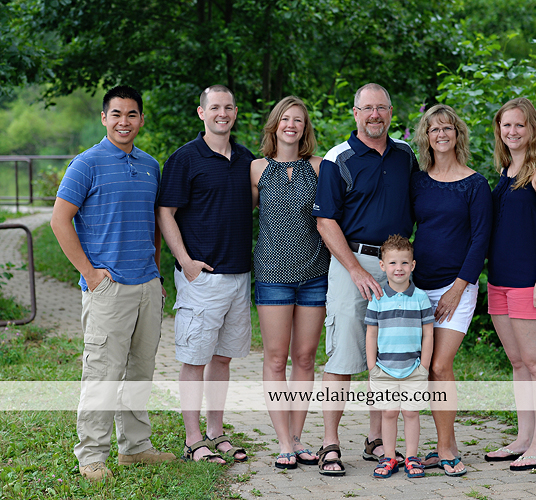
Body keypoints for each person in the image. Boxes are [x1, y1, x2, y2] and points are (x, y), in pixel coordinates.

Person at [51, 85, 176, 481]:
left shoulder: (151, 165)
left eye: (132, 114)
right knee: (103, 373)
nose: (125, 122)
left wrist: (156, 273)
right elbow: (59, 220)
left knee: (141, 370)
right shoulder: (85, 163)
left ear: (141, 119)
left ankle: (135, 448)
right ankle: (91, 454)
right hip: (107, 289)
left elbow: (154, 226)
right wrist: (89, 274)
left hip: (146, 287)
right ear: (104, 118)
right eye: (117, 114)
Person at [312, 83, 418, 476]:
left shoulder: (405, 155)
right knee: (342, 353)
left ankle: (377, 440)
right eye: (367, 108)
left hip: (397, 267)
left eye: (382, 109)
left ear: (391, 113)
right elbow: (325, 220)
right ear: (355, 113)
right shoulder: (338, 158)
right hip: (350, 262)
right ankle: (330, 444)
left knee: (390, 356)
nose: (375, 115)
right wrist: (355, 270)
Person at [156, 85, 253, 464]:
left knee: (223, 360)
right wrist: (185, 261)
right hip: (202, 277)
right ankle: (192, 439)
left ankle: (216, 431)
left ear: (235, 111)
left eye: (228, 107)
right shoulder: (185, 158)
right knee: (195, 360)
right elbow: (165, 213)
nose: (222, 113)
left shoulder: (245, 159)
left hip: (239, 275)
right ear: (202, 112)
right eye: (215, 107)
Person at [484, 97, 536, 471]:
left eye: (519, 125)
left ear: (532, 128)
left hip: (531, 282)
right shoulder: (504, 171)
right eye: (506, 126)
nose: (512, 132)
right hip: (500, 281)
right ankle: (522, 437)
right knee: (517, 362)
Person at [410, 104, 492, 476]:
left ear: (457, 134)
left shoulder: (475, 184)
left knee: (441, 366)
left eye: (448, 128)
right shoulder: (419, 181)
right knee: (424, 368)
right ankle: (447, 442)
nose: (441, 134)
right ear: (426, 137)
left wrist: (458, 288)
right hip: (417, 287)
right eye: (433, 129)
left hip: (456, 286)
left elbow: (480, 241)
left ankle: (446, 447)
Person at [250, 96, 330, 469]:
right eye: (285, 118)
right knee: (276, 358)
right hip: (272, 277)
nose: (291, 125)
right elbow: (238, 216)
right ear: (275, 125)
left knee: (305, 357)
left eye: (298, 120)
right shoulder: (256, 169)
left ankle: (297, 438)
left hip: (314, 275)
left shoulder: (318, 167)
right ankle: (282, 441)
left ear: (305, 128)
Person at [365, 235, 434, 479]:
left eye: (404, 263)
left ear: (412, 265)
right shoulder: (377, 299)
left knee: (412, 413)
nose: (399, 268)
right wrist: (373, 367)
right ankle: (390, 457)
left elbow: (428, 334)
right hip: (384, 369)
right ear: (383, 266)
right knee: (389, 413)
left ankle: (412, 457)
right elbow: (371, 335)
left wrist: (424, 366)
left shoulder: (421, 298)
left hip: (413, 368)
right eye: (393, 263)